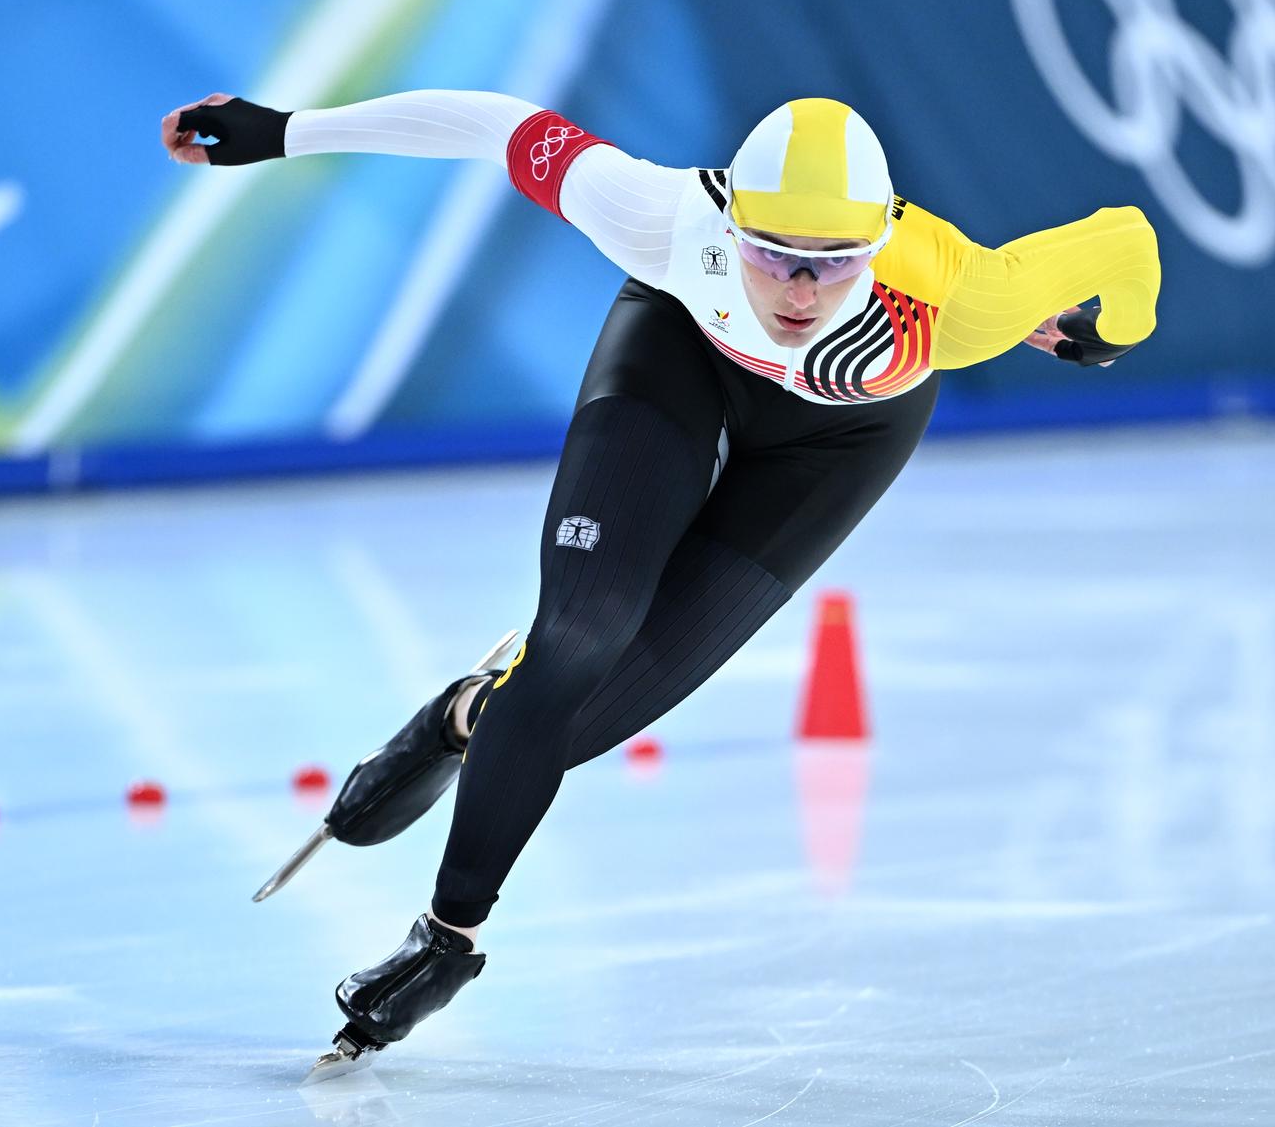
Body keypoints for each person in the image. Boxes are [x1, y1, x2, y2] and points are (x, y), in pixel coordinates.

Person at [158, 87, 1161, 1077]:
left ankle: (460, 720)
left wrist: (1119, 326)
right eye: (774, 255)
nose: (800, 291)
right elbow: (496, 125)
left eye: (834, 265)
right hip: (681, 352)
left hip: (839, 441)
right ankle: (446, 944)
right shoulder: (664, 215)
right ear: (730, 219)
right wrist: (289, 133)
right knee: (578, 637)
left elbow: (1127, 238)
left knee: (576, 725)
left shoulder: (966, 297)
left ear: (878, 244)